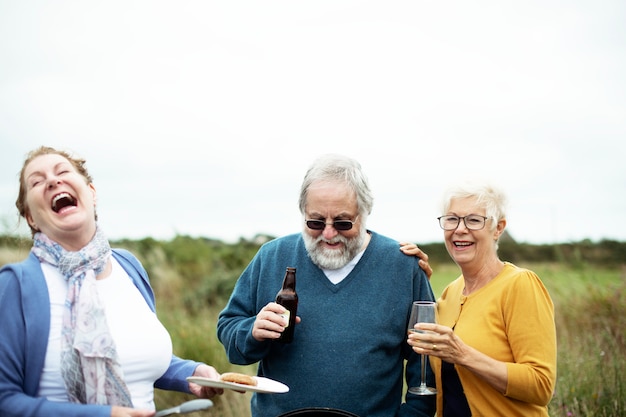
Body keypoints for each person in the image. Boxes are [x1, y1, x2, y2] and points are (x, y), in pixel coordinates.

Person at [0, 146, 223, 417]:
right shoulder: (16, 285)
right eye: (36, 181)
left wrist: (190, 373)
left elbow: (131, 357)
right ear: (30, 218)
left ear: (91, 194)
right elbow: (5, 400)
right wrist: (103, 415)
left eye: (62, 171)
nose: (53, 180)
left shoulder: (128, 266)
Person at [217, 154, 436, 417]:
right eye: (315, 222)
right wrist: (252, 331)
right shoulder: (271, 257)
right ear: (302, 213)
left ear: (365, 213)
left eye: (343, 222)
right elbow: (229, 327)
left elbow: (425, 360)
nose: (329, 233)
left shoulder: (402, 266)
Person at [405, 182, 557, 416]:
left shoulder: (520, 284)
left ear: (498, 228)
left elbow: (541, 386)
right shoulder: (449, 294)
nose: (460, 229)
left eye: (474, 220)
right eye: (452, 219)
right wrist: (410, 272)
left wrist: (463, 355)